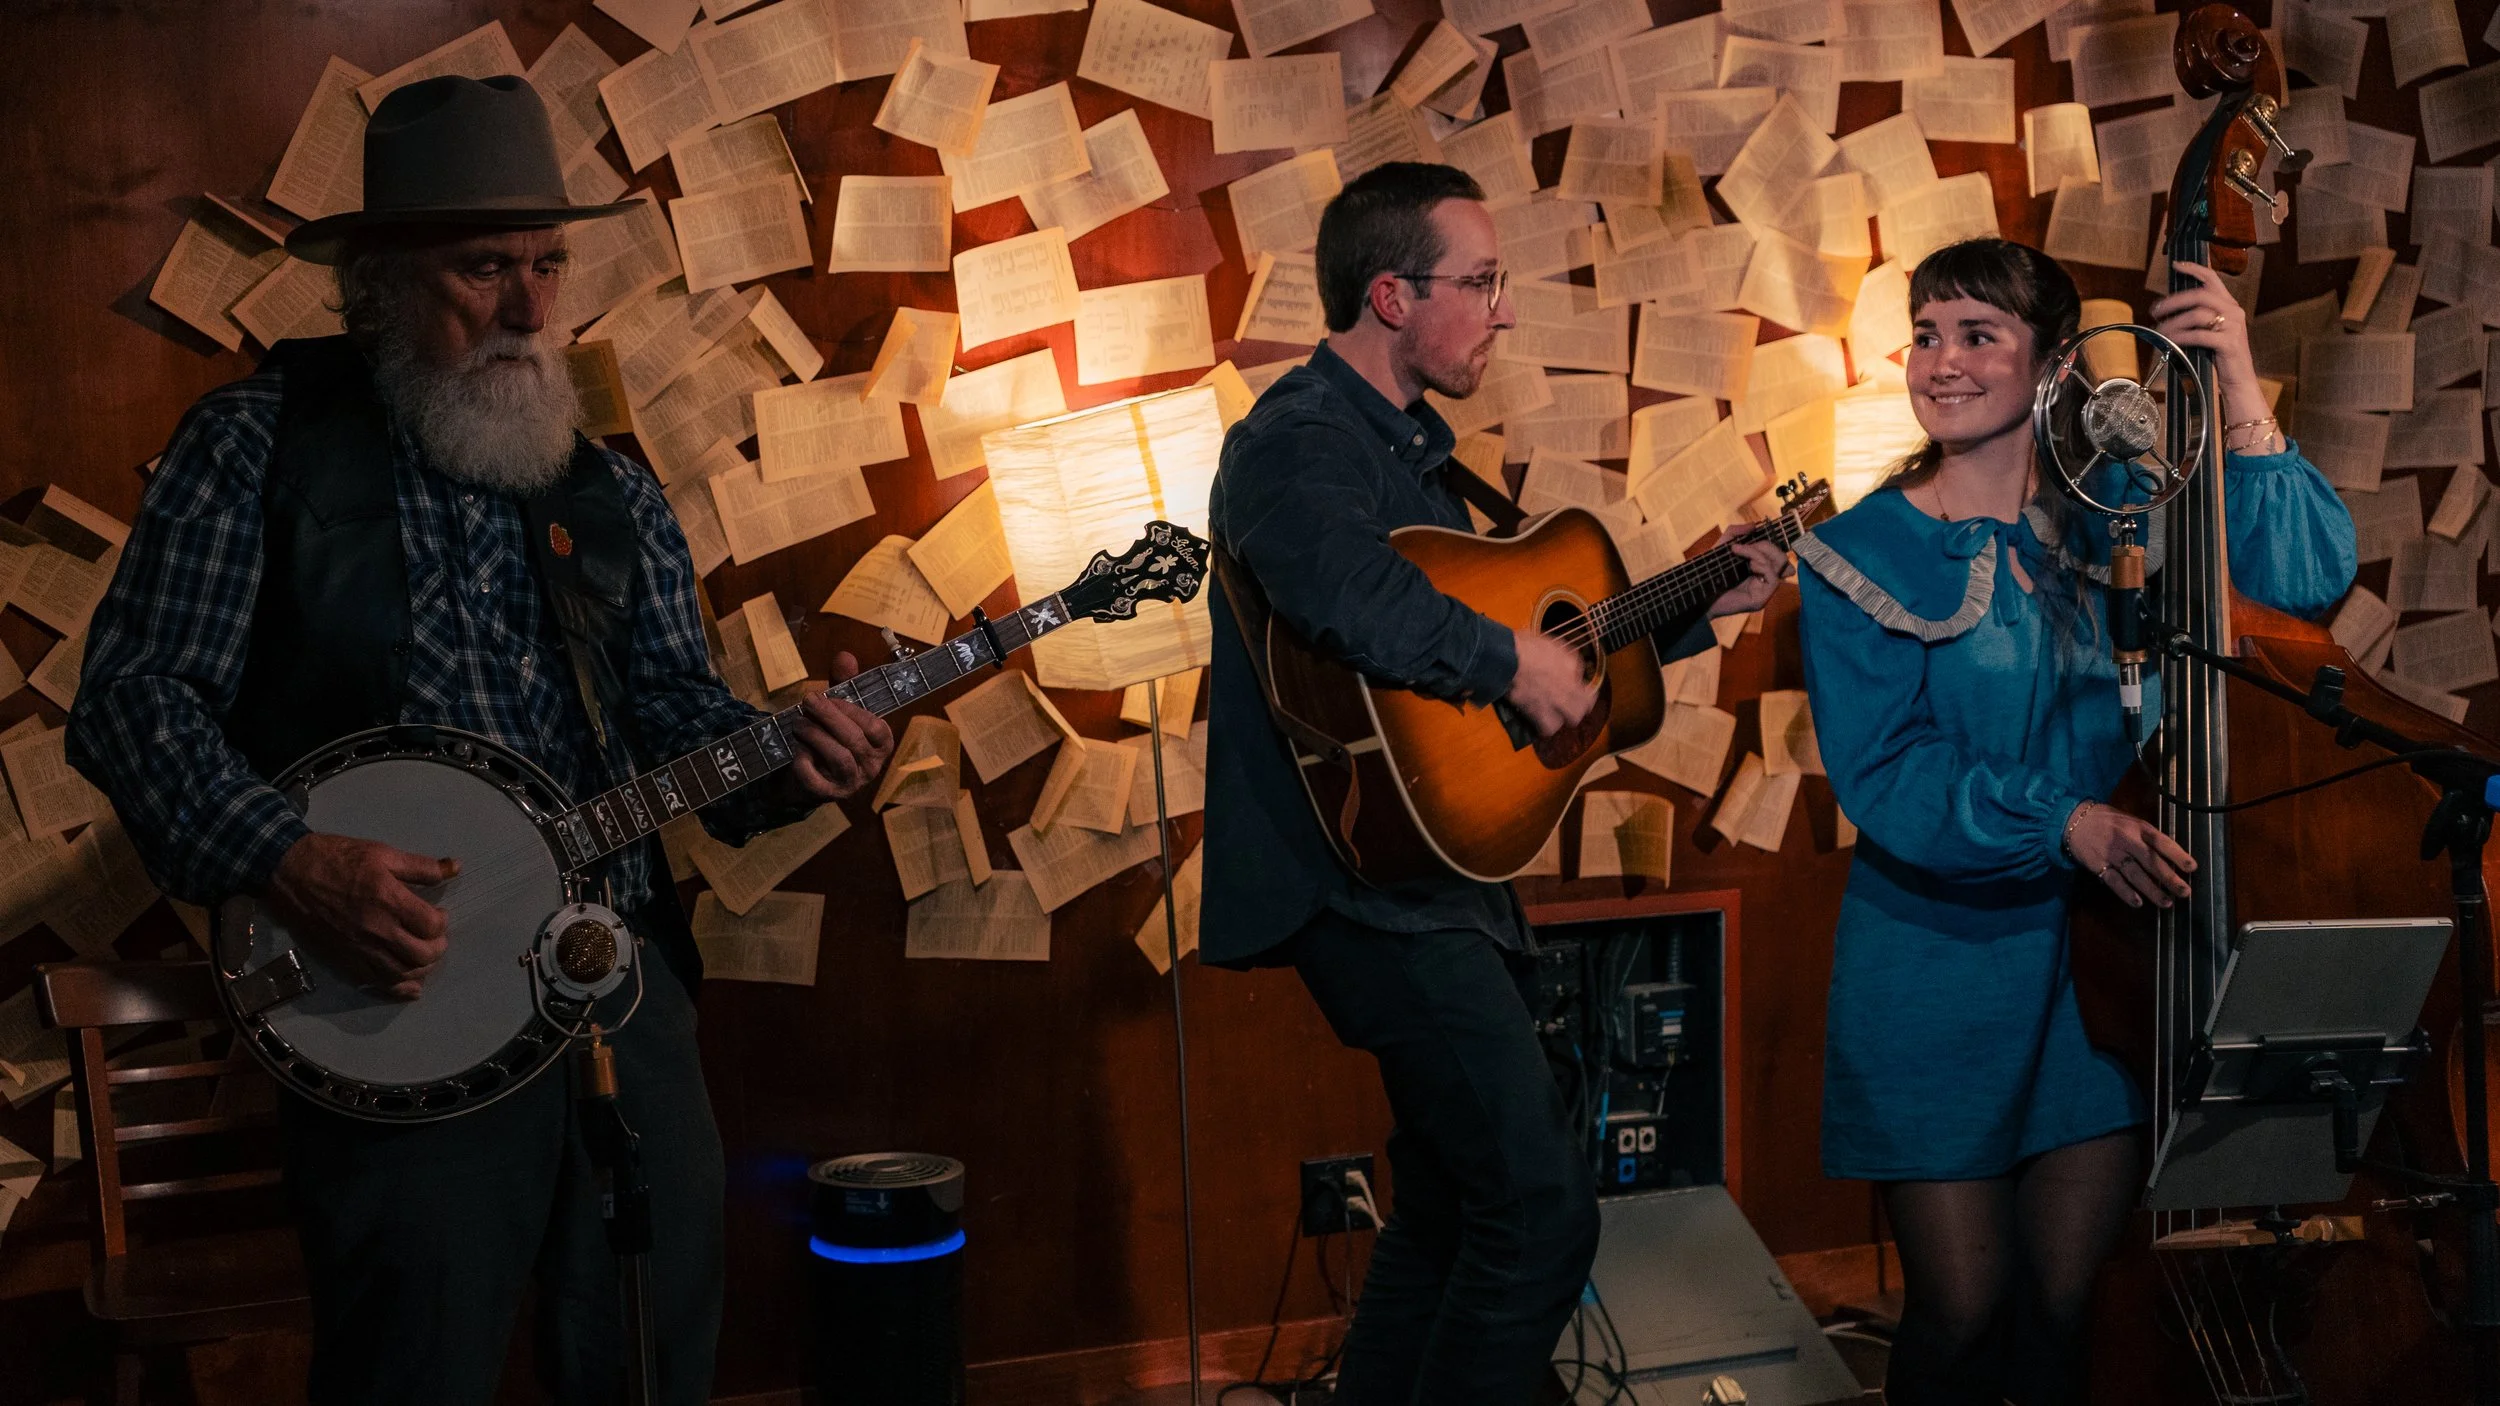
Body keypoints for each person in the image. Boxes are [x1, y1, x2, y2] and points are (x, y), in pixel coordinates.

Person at [65, 77, 894, 1406]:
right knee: (415, 1372)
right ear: (382, 280)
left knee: (651, 1361)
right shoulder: (252, 450)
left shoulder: (609, 484)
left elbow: (673, 715)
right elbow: (133, 699)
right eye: (483, 268)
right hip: (396, 1001)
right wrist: (288, 857)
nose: (527, 308)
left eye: (547, 265)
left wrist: (787, 756)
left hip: (619, 988)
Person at [1202, 162, 1789, 1406]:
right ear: (1389, 295)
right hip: (1359, 886)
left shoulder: (1414, 455)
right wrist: (1502, 657)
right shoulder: (1296, 441)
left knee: (1451, 1208)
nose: (1504, 311)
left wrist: (1691, 607)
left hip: (1429, 886)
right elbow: (1344, 593)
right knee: (1538, 1212)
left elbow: (1535, 645)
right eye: (1480, 282)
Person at [1793, 239, 2357, 1405]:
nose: (1941, 362)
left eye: (1977, 334)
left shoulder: (2118, 528)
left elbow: (2300, 581)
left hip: (2098, 976)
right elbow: (1889, 772)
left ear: (2053, 367)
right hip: (1935, 973)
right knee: (1961, 1309)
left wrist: (2237, 381)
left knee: (2064, 1309)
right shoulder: (1857, 552)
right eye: (1928, 334)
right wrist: (2069, 822)